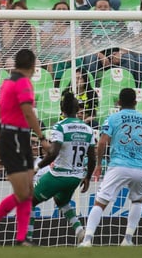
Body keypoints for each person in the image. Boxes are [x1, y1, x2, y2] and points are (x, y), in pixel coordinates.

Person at [79, 88, 142, 247]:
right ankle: (127, 239)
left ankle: (87, 239)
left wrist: (99, 164)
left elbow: (102, 142)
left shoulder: (113, 118)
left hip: (118, 166)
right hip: (140, 168)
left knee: (100, 203)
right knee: (138, 200)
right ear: (135, 102)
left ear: (119, 102)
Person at [0, 49, 49, 246]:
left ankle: (21, 238)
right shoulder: (23, 83)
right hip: (15, 137)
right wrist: (42, 137)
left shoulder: (8, 83)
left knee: (28, 191)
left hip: (18, 137)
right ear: (33, 65)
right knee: (22, 192)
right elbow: (27, 112)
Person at [27, 91, 96, 244]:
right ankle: (79, 230)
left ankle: (27, 239)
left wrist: (37, 167)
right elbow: (92, 158)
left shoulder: (60, 127)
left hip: (59, 175)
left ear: (62, 109)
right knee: (61, 201)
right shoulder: (88, 129)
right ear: (78, 109)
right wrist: (88, 177)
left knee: (29, 201)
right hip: (76, 177)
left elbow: (53, 153)